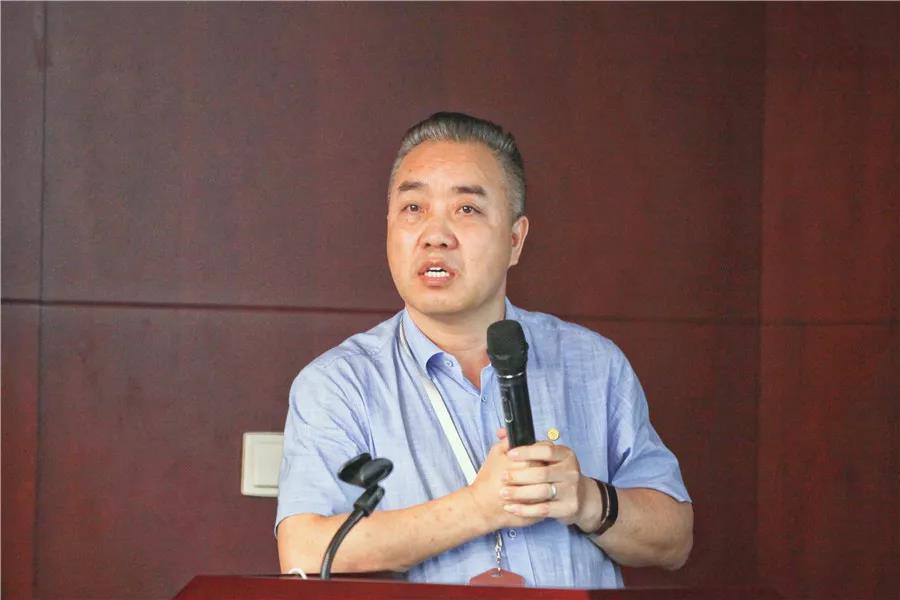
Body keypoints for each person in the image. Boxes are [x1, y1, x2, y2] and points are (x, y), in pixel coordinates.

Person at [275, 112, 693, 588]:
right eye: (413, 208)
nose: (435, 234)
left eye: (466, 209)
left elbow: (675, 540)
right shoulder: (338, 384)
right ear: (388, 227)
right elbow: (304, 551)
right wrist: (477, 508)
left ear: (515, 240)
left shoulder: (594, 364)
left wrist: (586, 499)